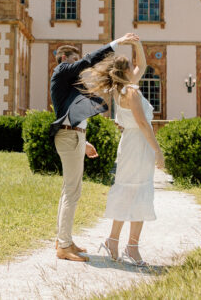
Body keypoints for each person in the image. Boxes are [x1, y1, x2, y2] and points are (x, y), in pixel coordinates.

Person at [50, 32, 140, 262]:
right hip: (69, 137)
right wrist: (116, 43)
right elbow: (88, 61)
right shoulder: (61, 71)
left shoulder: (70, 84)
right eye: (74, 59)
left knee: (71, 190)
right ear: (64, 59)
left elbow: (71, 113)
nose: (79, 64)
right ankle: (63, 246)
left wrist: (84, 140)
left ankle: (65, 240)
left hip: (74, 137)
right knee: (71, 191)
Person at [80, 36, 159, 266]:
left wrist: (137, 45)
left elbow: (141, 65)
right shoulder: (131, 92)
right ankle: (131, 247)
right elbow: (143, 124)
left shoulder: (121, 90)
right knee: (138, 191)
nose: (136, 70)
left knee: (128, 191)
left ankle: (114, 240)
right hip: (138, 144)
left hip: (130, 144)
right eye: (130, 67)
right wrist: (158, 151)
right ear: (126, 72)